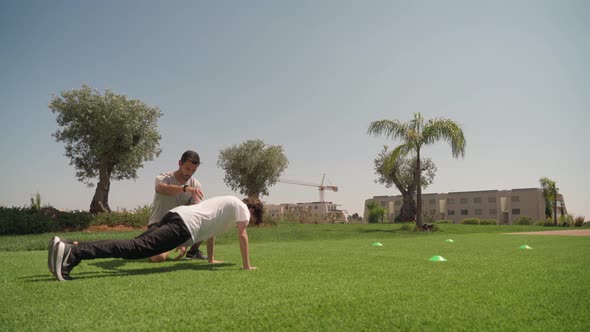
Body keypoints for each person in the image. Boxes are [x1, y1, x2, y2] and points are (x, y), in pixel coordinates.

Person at [47, 196, 263, 281]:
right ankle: (74, 254)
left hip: (178, 216)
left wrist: (210, 260)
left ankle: (69, 246)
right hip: (184, 225)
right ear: (253, 210)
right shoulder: (243, 208)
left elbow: (210, 234)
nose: (249, 222)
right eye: (253, 219)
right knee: (135, 248)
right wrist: (246, 265)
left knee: (133, 243)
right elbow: (242, 234)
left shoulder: (227, 205)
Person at [148, 150, 206, 262]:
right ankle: (150, 246)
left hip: (178, 227)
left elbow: (194, 213)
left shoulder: (196, 185)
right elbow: (162, 189)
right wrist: (184, 188)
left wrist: (183, 238)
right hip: (158, 225)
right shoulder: (164, 177)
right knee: (158, 258)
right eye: (187, 168)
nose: (189, 173)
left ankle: (193, 252)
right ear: (180, 163)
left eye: (193, 170)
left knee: (205, 221)